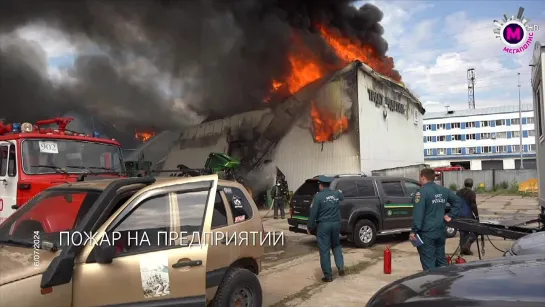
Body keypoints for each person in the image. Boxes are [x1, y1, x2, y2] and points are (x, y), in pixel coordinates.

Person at [410, 168, 461, 271]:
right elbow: (458, 201)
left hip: (427, 234)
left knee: (429, 263)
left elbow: (418, 214)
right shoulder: (443, 190)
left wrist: (414, 231)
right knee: (441, 260)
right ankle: (444, 283)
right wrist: (451, 215)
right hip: (441, 231)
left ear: (423, 177)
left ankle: (432, 284)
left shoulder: (421, 193)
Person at [307, 175, 345, 282]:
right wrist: (339, 191)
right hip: (336, 224)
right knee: (336, 245)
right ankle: (340, 267)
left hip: (324, 226)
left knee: (324, 250)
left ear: (321, 185)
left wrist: (310, 226)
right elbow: (342, 197)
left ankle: (328, 276)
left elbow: (313, 213)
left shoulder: (318, 197)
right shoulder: (336, 193)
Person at [456, 178, 479, 255]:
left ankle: (463, 250)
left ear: (464, 184)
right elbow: (473, 205)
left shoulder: (458, 192)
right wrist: (477, 215)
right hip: (468, 216)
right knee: (476, 230)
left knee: (462, 233)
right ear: (472, 185)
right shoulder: (472, 193)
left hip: (459, 215)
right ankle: (468, 243)